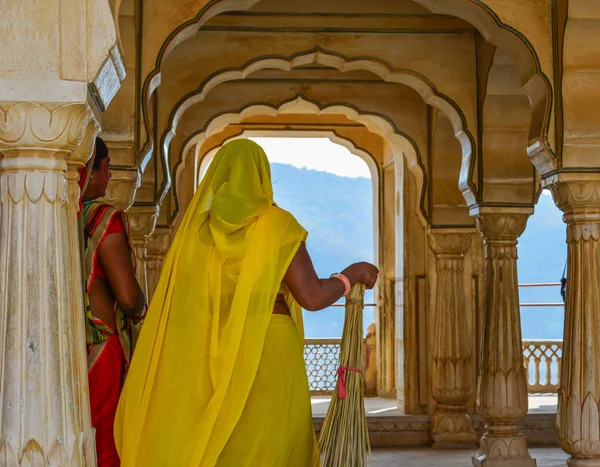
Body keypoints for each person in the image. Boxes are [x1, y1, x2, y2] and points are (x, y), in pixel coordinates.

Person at [113, 139, 378, 466]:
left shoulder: (199, 233)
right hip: (268, 344)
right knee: (273, 436)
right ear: (261, 176)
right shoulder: (277, 226)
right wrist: (351, 274)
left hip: (213, 345)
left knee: (227, 438)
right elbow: (312, 296)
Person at [79, 136, 146, 466]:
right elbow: (129, 296)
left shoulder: (59, 212)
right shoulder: (103, 218)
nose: (108, 178)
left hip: (62, 345)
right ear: (93, 169)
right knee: (105, 444)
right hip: (100, 346)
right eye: (106, 169)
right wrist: (141, 310)